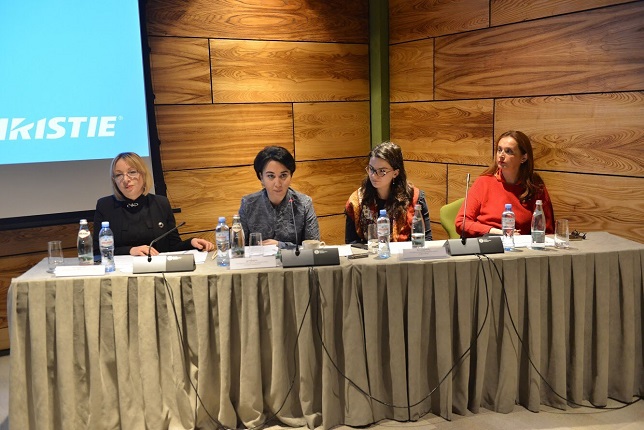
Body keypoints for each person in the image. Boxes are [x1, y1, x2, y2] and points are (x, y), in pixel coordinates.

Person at [93, 152, 214, 256]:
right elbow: (98, 251)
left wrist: (191, 243)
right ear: (114, 180)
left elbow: (173, 246)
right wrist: (131, 250)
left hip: (158, 270)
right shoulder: (105, 206)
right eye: (119, 175)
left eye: (132, 172)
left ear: (143, 174)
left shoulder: (161, 203)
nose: (125, 179)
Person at [455, 130, 555, 237]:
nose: (501, 155)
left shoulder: (535, 186)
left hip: (519, 245)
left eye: (508, 151)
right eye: (499, 150)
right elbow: (461, 222)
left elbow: (547, 231)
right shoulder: (484, 181)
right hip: (485, 241)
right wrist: (499, 232)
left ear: (524, 157)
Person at [345, 141, 432, 243]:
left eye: (382, 171)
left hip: (405, 252)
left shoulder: (415, 198)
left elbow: (427, 240)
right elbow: (351, 243)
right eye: (371, 169)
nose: (373, 175)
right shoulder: (356, 200)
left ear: (395, 173)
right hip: (370, 252)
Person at [238, 146, 320, 249]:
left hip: (293, 259)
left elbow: (314, 248)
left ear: (291, 175)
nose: (278, 184)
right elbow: (238, 248)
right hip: (259, 259)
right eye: (271, 176)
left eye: (283, 175)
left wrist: (281, 245)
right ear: (261, 177)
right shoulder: (248, 204)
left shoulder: (304, 203)